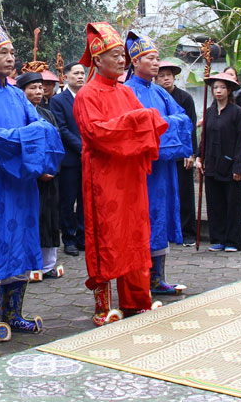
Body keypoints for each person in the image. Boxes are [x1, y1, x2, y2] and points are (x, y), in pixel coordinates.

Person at [0, 17, 64, 342]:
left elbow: (45, 128)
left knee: (21, 244)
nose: (10, 58)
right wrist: (30, 140)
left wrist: (38, 155)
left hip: (22, 184)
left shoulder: (19, 96)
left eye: (12, 53)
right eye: (3, 53)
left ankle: (14, 314)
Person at [72, 22, 167, 325]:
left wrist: (141, 120)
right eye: (115, 55)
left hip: (131, 176)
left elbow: (147, 128)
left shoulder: (126, 93)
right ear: (97, 60)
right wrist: (139, 120)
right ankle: (104, 306)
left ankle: (137, 299)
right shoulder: (87, 94)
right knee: (108, 237)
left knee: (136, 235)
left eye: (122, 55)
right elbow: (96, 133)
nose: (122, 60)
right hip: (104, 178)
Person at [123, 33, 193, 295]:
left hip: (163, 170)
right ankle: (140, 281)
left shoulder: (160, 93)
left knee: (161, 217)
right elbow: (134, 127)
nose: (156, 63)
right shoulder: (127, 91)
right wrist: (159, 124)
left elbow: (183, 119)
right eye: (150, 58)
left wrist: (158, 124)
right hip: (142, 170)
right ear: (136, 61)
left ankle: (158, 279)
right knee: (144, 220)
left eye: (156, 58)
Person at [16, 71, 63, 280]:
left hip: (50, 176)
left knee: (49, 218)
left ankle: (48, 264)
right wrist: (37, 171)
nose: (38, 91)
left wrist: (52, 168)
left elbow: (56, 142)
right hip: (30, 178)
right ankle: (31, 264)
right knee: (31, 218)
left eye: (39, 87)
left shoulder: (47, 113)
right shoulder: (17, 114)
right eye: (32, 88)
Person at [197, 72, 241, 252]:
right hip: (211, 164)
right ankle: (217, 238)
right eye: (215, 88)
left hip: (230, 165)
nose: (218, 91)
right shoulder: (209, 113)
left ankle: (233, 241)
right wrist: (199, 157)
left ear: (229, 90)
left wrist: (238, 166)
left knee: (232, 204)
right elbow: (204, 137)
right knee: (214, 203)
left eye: (222, 88)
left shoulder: (238, 113)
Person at [156, 61, 198, 245]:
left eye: (169, 75)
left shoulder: (185, 98)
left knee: (185, 193)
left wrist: (191, 153)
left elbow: (191, 128)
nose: (166, 78)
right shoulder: (155, 97)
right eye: (162, 75)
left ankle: (188, 231)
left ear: (174, 77)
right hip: (162, 154)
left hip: (182, 153)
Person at [49, 61, 85, 258]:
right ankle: (69, 239)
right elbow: (61, 129)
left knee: (85, 201)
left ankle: (83, 237)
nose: (80, 76)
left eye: (82, 73)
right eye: (76, 73)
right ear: (66, 77)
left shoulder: (89, 97)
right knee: (68, 200)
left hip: (89, 159)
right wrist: (82, 147)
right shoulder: (58, 100)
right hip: (70, 159)